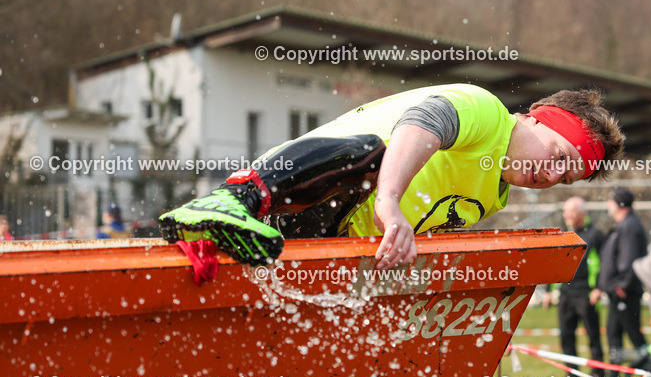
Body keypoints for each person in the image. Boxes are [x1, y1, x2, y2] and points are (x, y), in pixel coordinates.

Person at [159, 84, 624, 269]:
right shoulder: (486, 112)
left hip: (322, 236)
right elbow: (423, 123)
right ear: (538, 119)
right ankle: (230, 199)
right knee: (373, 154)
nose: (553, 175)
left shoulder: (492, 197)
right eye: (560, 156)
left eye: (567, 179)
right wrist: (389, 202)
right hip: (288, 192)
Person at [542, 197, 604, 377]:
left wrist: (599, 288)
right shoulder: (563, 235)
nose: (566, 216)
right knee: (566, 335)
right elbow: (555, 263)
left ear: (581, 214)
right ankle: (572, 376)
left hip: (586, 293)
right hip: (566, 294)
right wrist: (547, 291)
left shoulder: (595, 235)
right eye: (565, 212)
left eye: (570, 213)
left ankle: (598, 374)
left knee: (593, 335)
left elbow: (604, 264)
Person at [598, 188, 648, 377]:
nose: (608, 206)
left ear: (619, 204)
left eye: (611, 201)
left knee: (633, 334)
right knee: (613, 333)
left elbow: (630, 259)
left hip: (623, 291)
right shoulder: (624, 225)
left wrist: (623, 285)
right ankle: (614, 376)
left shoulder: (630, 226)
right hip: (615, 290)